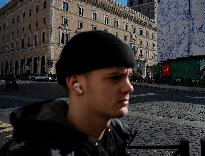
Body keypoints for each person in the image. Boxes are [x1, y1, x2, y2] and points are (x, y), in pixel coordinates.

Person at [1, 30, 137, 156]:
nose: (129, 87)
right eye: (114, 77)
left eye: (128, 77)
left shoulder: (119, 136)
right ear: (76, 85)